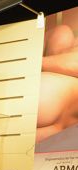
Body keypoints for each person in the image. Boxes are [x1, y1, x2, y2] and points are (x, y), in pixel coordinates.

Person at [37, 10, 78, 142]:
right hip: (51, 92)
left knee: (63, 33)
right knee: (63, 32)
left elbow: (60, 128)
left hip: (50, 101)